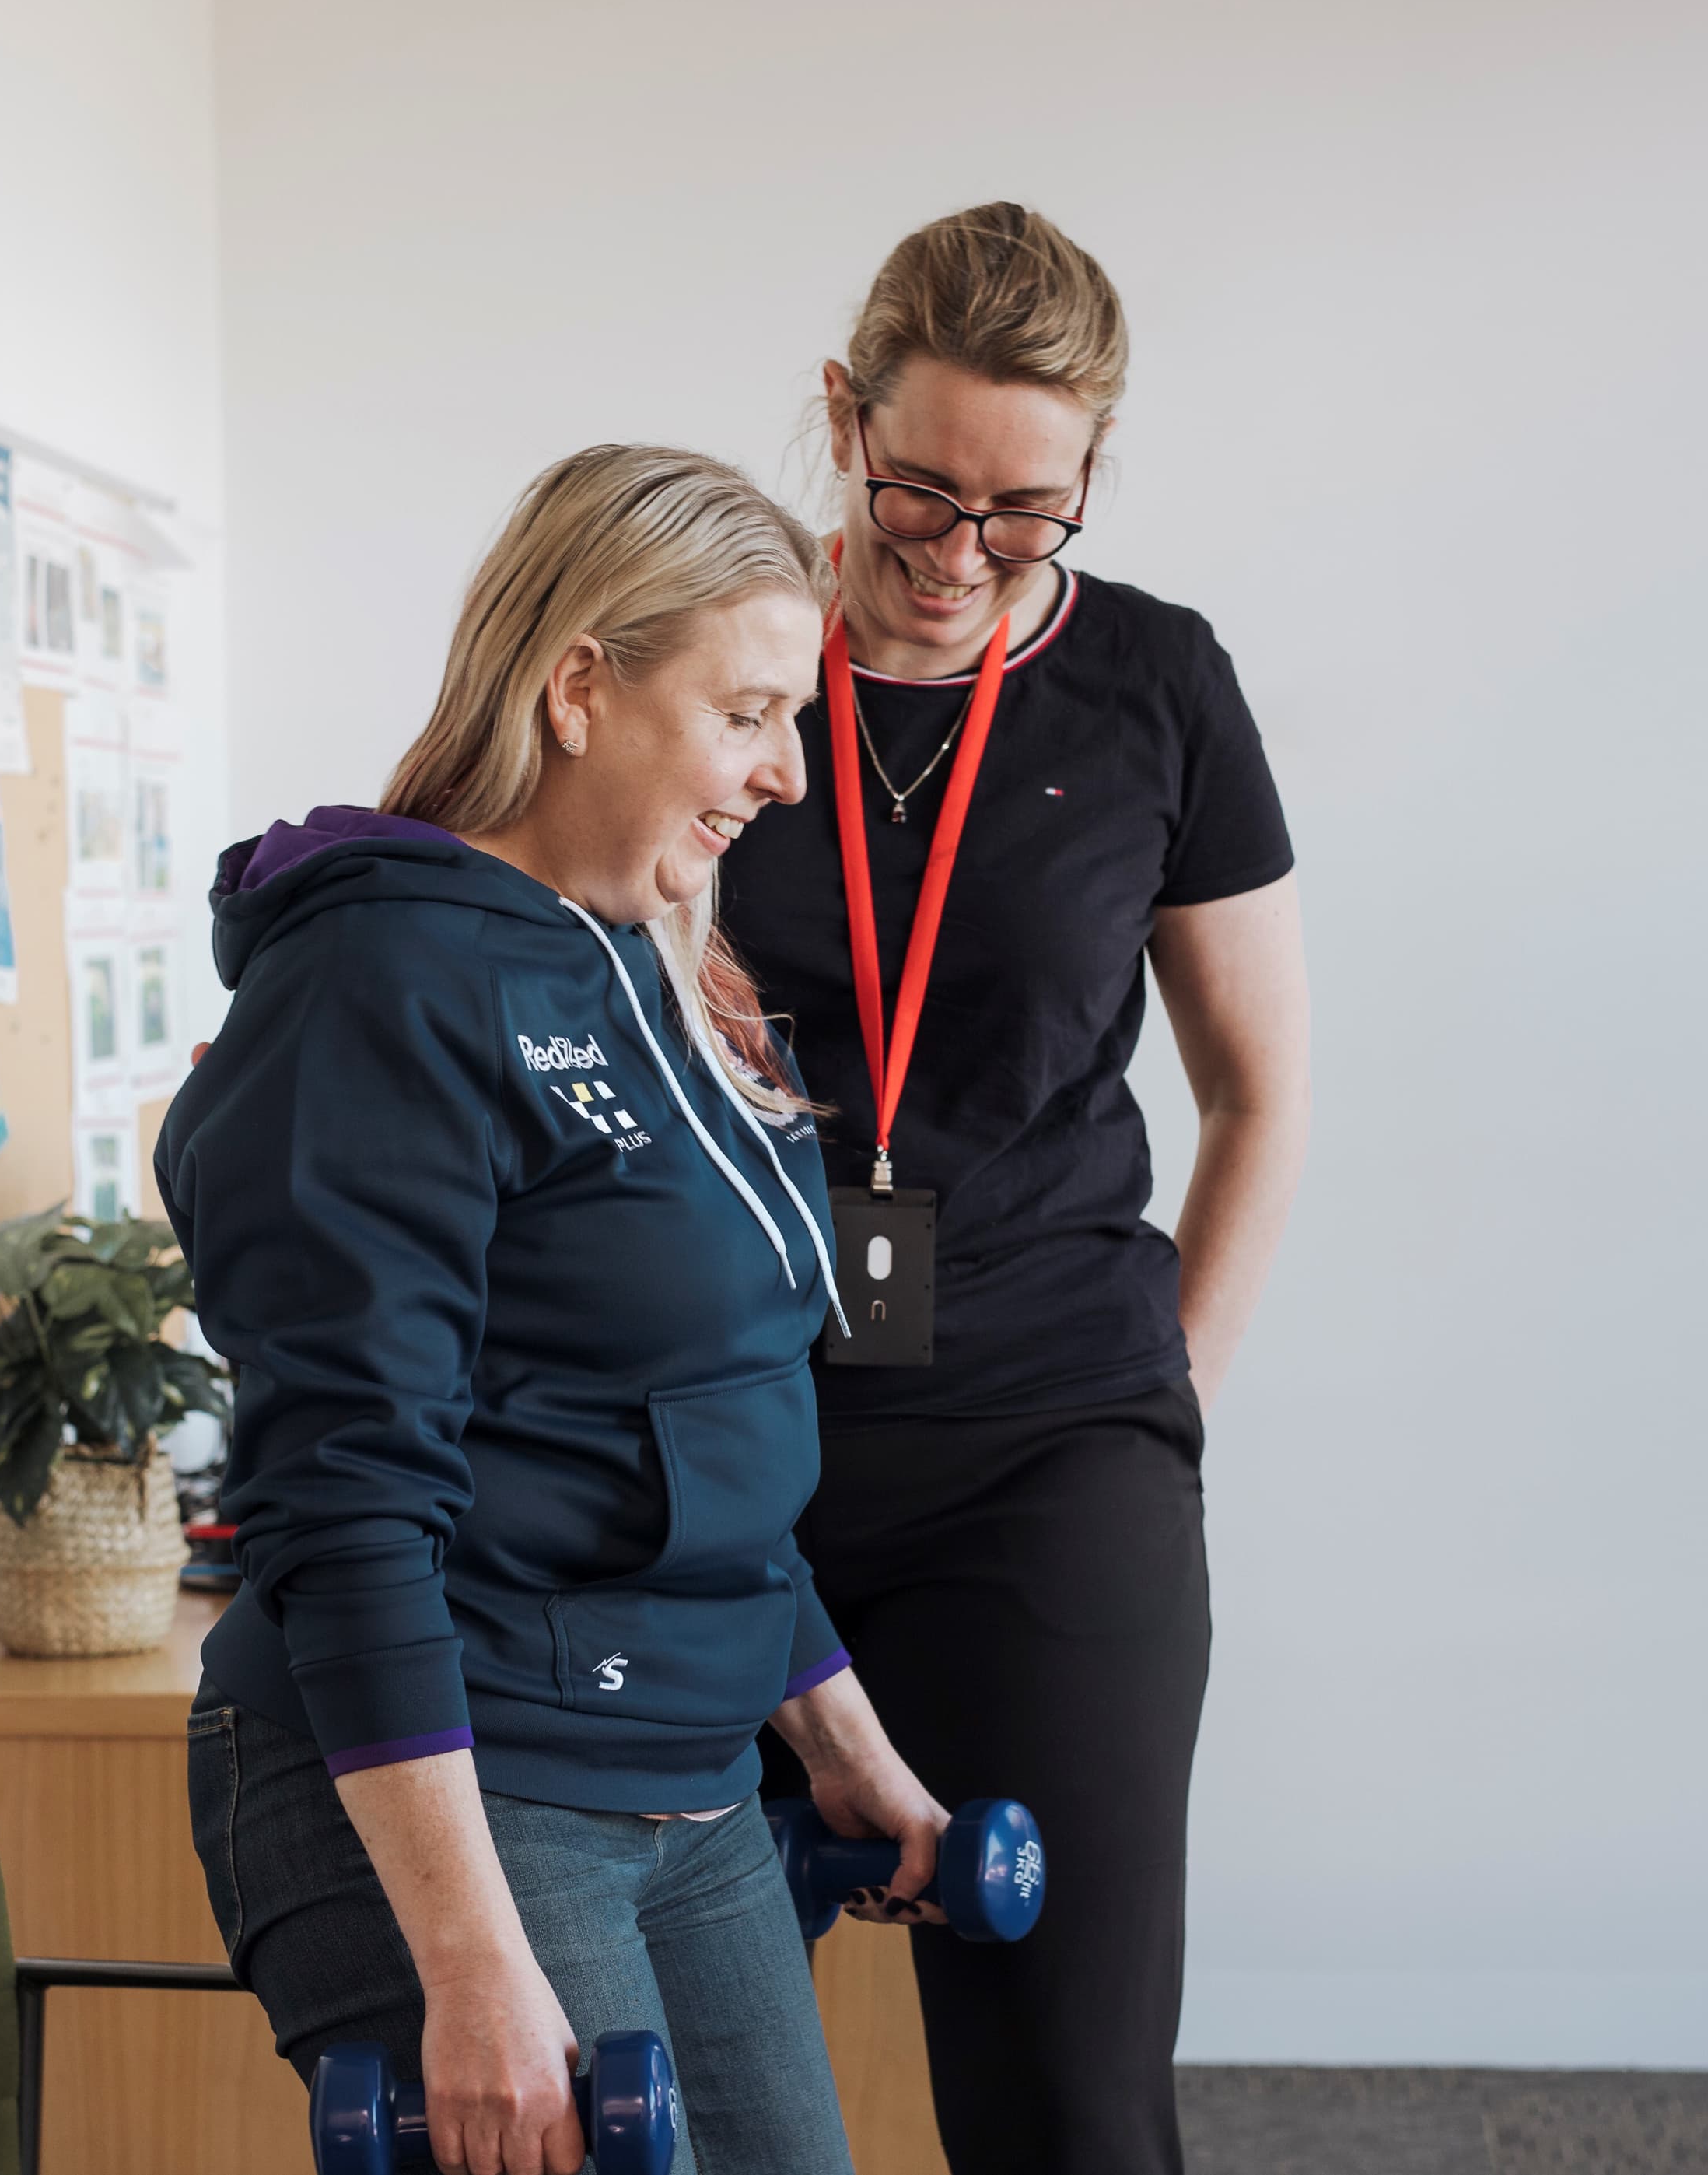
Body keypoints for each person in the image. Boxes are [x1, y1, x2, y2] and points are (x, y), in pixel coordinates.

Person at [159, 447, 950, 2175]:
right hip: (461, 1767)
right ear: (580, 684)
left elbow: (692, 1424)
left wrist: (842, 1737)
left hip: (689, 1774)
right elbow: (347, 1503)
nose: (788, 771)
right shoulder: (378, 978)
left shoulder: (660, 977)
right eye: (749, 710)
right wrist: (466, 1965)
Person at [719, 203, 1311, 2173]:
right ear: (840, 417)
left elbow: (1258, 1087)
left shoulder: (1158, 685)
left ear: (1089, 480)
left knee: (1064, 2094)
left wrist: (1170, 1402)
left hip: (1047, 1439)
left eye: (1026, 512)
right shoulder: (706, 654)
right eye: (918, 493)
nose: (962, 556)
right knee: (674, 2082)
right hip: (724, 1434)